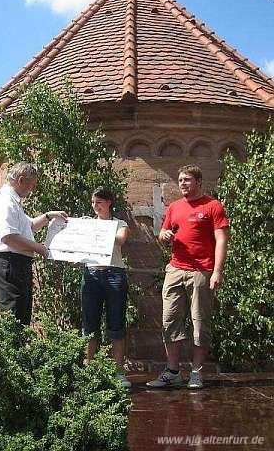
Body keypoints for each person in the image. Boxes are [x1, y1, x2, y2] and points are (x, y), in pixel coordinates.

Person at [147, 165, 229, 389]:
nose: (182, 183)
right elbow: (164, 234)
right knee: (170, 320)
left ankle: (196, 372)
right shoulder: (174, 207)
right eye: (180, 180)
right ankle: (173, 371)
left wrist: (217, 271)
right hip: (175, 270)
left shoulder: (212, 206)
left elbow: (221, 240)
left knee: (200, 323)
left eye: (187, 180)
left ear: (199, 182)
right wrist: (163, 235)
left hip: (202, 271)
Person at [0, 162, 67, 348]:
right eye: (31, 184)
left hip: (17, 264)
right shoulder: (5, 201)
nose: (32, 189)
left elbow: (28, 227)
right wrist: (42, 249)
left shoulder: (13, 201)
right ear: (21, 180)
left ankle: (10, 370)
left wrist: (48, 216)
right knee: (11, 319)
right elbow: (9, 237)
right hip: (9, 264)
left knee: (20, 319)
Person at [80, 186, 131, 388]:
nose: (95, 206)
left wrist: (96, 230)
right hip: (91, 273)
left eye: (99, 202)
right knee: (89, 324)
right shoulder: (87, 223)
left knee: (116, 322)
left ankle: (119, 371)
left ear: (109, 202)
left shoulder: (119, 223)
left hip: (114, 274)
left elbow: (120, 239)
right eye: (93, 203)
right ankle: (89, 371)